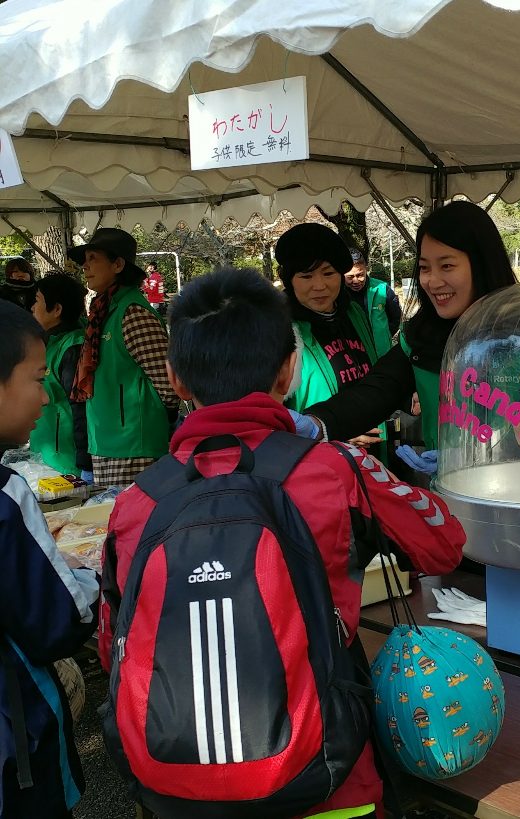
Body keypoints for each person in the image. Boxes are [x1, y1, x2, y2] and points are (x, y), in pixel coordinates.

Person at [100, 267, 465, 818]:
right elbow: (444, 543)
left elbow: (114, 648)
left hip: (176, 790)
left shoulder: (136, 504)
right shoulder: (334, 469)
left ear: (175, 379)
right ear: (289, 370)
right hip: (330, 782)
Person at [303, 201, 518, 472]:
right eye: (425, 267)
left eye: (447, 266)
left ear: (482, 263)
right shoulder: (421, 335)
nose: (432, 281)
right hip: (449, 485)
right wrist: (317, 422)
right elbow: (376, 391)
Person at [0, 301, 100, 818]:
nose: (45, 396)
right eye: (37, 379)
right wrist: (89, 578)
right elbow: (58, 622)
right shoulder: (6, 496)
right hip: (15, 741)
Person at [67, 228, 179, 486]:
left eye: (93, 258)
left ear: (117, 264)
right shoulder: (104, 309)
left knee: (129, 511)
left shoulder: (133, 312)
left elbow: (168, 384)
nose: (85, 266)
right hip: (106, 440)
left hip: (134, 445)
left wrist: (142, 421)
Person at [276, 224, 389, 450]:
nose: (319, 286)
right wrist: (333, 433)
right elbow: (271, 414)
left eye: (328, 273)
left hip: (373, 452)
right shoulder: (280, 329)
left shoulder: (353, 312)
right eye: (306, 276)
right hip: (319, 458)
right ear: (290, 280)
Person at [29, 274, 92, 477]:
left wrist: (85, 463)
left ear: (57, 309)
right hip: (45, 457)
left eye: (37, 301)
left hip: (67, 463)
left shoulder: (73, 348)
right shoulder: (49, 342)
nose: (32, 307)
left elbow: (81, 408)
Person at [345, 247, 401, 352]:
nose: (356, 281)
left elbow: (396, 317)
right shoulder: (338, 294)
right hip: (355, 352)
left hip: (382, 351)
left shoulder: (382, 288)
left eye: (360, 275)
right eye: (350, 277)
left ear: (366, 269)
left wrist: (385, 335)